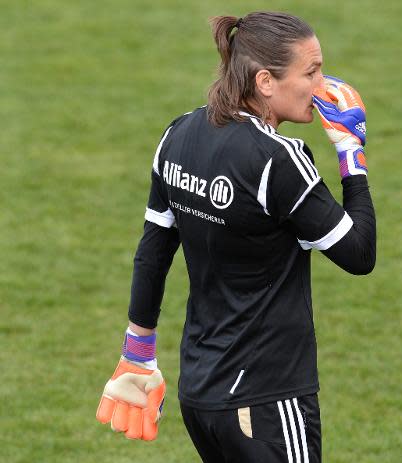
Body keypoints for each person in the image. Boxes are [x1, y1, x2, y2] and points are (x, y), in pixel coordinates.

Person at [95, 11, 375, 463]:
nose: (325, 86)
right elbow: (359, 253)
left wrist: (138, 353)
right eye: (312, 72)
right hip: (268, 400)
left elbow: (153, 251)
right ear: (265, 81)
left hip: (203, 397)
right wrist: (350, 153)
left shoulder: (178, 135)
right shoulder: (280, 159)